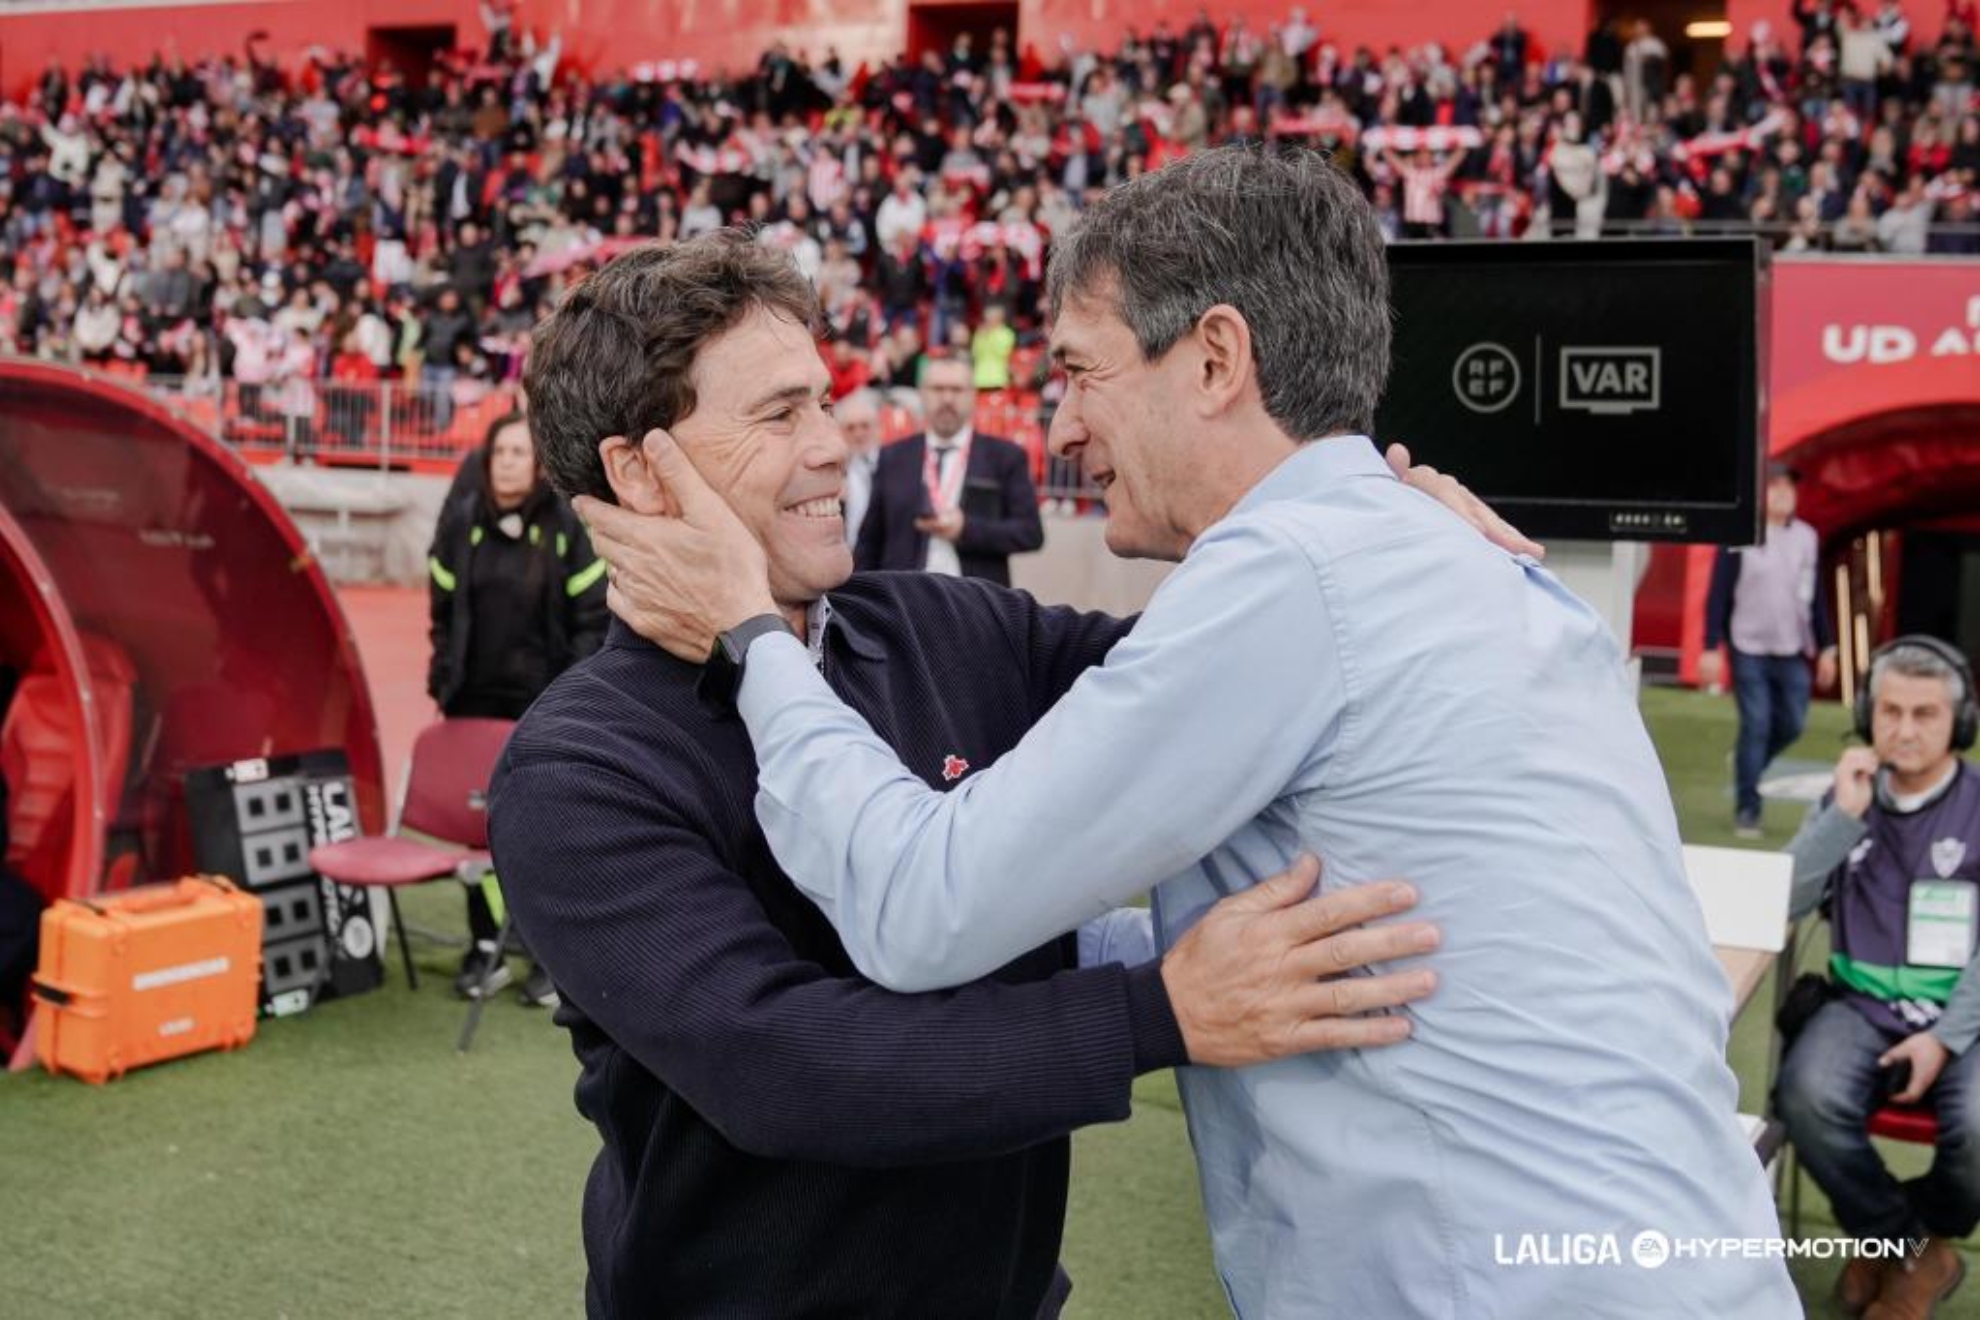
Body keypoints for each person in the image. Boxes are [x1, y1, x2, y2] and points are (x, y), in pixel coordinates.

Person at [585, 147, 1797, 1317]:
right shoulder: (1407, 567)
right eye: (782, 411)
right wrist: (1159, 987)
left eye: (1079, 371)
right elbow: (784, 1054)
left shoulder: (1299, 580)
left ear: (1215, 357)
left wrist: (751, 636)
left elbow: (918, 905)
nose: (1058, 427)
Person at [491, 234, 1443, 1317]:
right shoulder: (578, 771)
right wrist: (1159, 1012)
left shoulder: (944, 626)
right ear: (637, 473)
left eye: (826, 403)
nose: (834, 446)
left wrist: (1380, 528)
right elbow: (789, 1068)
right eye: (780, 414)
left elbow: (1233, 671)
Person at [1775, 636, 1980, 1320]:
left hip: (1963, 1016)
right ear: (1867, 712)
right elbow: (1783, 901)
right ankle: (1910, 1250)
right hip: (1857, 1006)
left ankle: (1902, 1243)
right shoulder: (1847, 800)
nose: (1905, 729)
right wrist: (1842, 817)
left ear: (1960, 723)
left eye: (1925, 714)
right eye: (1890, 711)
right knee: (1805, 1095)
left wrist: (1945, 1038)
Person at [428, 411, 607, 1005]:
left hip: (541, 704)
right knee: (476, 827)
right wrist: (442, 675)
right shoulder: (461, 524)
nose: (508, 460)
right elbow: (442, 609)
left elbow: (591, 621)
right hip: (473, 702)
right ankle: (485, 945)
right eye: (500, 450)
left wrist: (570, 694)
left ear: (538, 464)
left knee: (538, 828)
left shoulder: (564, 527)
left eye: (519, 451)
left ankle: (547, 957)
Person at [1701, 461, 1839, 837]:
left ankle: (1750, 762)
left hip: (1791, 646)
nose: (1782, 492)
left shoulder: (1806, 538)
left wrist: (1827, 647)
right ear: (1762, 492)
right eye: (1775, 485)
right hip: (1748, 644)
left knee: (1793, 722)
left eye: (1788, 486)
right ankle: (1748, 808)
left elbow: (1814, 598)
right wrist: (1710, 645)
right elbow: (1718, 592)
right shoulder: (1741, 532)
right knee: (1757, 722)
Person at [853, 354, 1043, 585]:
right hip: (905, 603)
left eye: (957, 389)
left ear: (973, 395)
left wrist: (966, 529)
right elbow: (869, 541)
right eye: (937, 389)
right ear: (921, 393)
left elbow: (1030, 533)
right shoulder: (893, 456)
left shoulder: (1004, 457)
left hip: (976, 604)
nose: (947, 398)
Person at [836, 387, 882, 551]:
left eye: (865, 426)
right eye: (851, 428)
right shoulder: (834, 472)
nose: (859, 434)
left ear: (877, 428)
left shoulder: (894, 466)